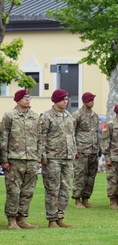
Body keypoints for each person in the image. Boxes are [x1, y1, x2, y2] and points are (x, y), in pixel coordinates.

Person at [2, 88, 40, 229]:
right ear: (18, 100)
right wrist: (4, 160)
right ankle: (11, 219)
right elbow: (3, 139)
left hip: (31, 159)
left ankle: (22, 218)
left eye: (29, 97)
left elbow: (39, 139)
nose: (28, 99)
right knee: (14, 190)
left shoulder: (35, 117)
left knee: (28, 191)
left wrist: (38, 159)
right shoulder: (9, 116)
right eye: (25, 97)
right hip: (14, 159)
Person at [39, 88, 76, 228]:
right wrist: (43, 156)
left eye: (66, 99)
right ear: (55, 101)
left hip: (67, 157)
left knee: (65, 188)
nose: (65, 102)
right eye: (62, 100)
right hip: (53, 157)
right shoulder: (47, 116)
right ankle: (52, 219)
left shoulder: (68, 115)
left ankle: (60, 217)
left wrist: (74, 151)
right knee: (53, 189)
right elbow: (42, 137)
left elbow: (72, 136)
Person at [72, 91, 101, 208]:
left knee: (91, 175)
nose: (92, 102)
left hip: (93, 149)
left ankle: (86, 198)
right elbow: (71, 133)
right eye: (90, 101)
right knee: (80, 174)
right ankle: (77, 199)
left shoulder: (95, 116)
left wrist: (98, 147)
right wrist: (74, 149)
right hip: (82, 149)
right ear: (84, 102)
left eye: (93, 100)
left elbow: (95, 133)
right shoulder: (77, 115)